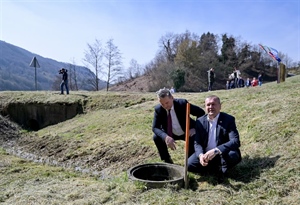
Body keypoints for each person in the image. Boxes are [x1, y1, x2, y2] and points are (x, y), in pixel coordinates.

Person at [188, 95, 242, 182]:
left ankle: (221, 170)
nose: (210, 107)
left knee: (233, 156)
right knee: (189, 165)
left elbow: (235, 141)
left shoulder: (228, 120)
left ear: (220, 106)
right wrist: (201, 155)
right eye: (208, 105)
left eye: (213, 104)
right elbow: (197, 143)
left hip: (223, 153)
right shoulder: (200, 121)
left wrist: (216, 150)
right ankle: (213, 168)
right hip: (206, 153)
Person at [152, 88, 205, 164]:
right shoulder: (158, 109)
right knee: (156, 137)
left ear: (172, 98)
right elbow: (155, 127)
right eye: (162, 104)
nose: (165, 106)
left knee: (190, 160)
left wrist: (195, 128)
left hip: (187, 132)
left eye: (167, 103)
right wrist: (165, 137)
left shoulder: (182, 103)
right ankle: (167, 160)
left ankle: (192, 159)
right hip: (171, 133)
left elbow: (201, 113)